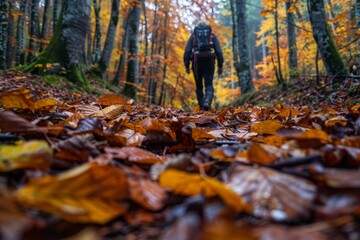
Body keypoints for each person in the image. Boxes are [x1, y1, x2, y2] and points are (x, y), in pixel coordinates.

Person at [184, 22, 224, 111]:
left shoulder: (193, 37)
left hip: (196, 63)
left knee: (199, 86)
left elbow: (187, 51)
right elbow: (219, 51)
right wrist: (220, 66)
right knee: (209, 84)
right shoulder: (212, 36)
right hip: (209, 61)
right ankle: (207, 102)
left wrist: (187, 65)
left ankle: (202, 106)